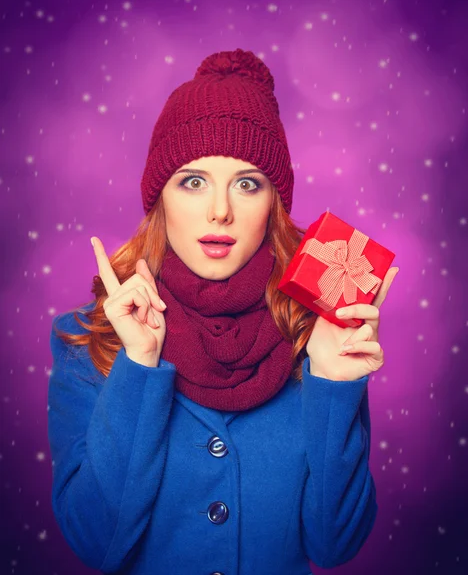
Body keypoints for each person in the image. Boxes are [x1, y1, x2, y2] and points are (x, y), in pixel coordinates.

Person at [48, 48, 394, 575]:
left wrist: (333, 384)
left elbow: (334, 545)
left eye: (247, 183)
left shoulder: (317, 332)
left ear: (273, 202)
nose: (220, 211)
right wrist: (139, 366)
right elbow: (96, 542)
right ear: (159, 198)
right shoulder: (87, 336)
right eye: (193, 181)